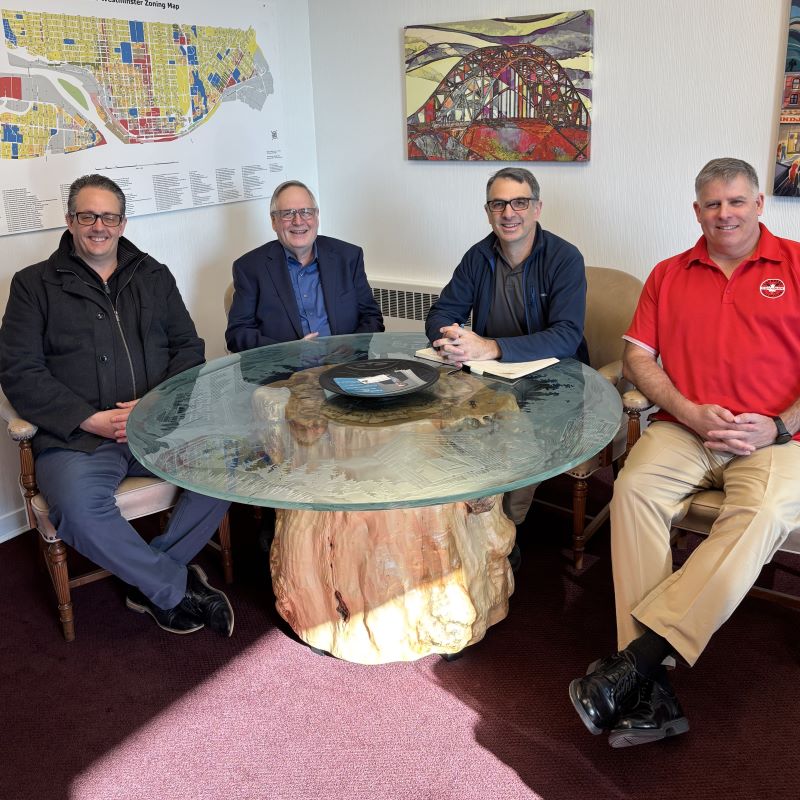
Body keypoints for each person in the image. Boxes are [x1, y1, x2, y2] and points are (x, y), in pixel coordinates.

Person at [569, 157, 800, 747]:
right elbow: (641, 358)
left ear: (758, 205)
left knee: (766, 513)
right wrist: (690, 410)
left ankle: (640, 660)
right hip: (685, 430)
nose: (725, 213)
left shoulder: (797, 264)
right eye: (713, 204)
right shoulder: (669, 273)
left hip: (773, 438)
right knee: (632, 491)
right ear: (696, 211)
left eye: (737, 201)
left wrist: (775, 425)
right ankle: (651, 684)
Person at [0, 174, 234, 637]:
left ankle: (147, 580)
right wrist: (89, 418)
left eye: (108, 216)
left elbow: (189, 348)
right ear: (69, 221)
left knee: (229, 465)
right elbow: (18, 370)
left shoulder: (153, 274)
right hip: (79, 438)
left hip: (158, 423)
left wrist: (152, 406)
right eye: (87, 215)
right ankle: (171, 585)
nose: (98, 226)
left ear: (123, 223)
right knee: (80, 512)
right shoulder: (32, 286)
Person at [425, 167, 588, 526]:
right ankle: (451, 520)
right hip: (488, 377)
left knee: (516, 437)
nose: (508, 213)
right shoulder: (477, 257)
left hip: (553, 379)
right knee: (430, 419)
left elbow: (566, 336)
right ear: (487, 212)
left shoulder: (565, 258)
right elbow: (440, 312)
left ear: (537, 208)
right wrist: (450, 335)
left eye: (519, 202)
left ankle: (504, 530)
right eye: (498, 204)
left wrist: (489, 347)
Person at [225, 179, 384, 352]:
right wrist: (290, 351)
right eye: (288, 213)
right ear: (273, 221)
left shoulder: (348, 257)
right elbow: (237, 334)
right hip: (285, 374)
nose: (298, 221)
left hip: (345, 368)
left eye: (306, 212)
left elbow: (372, 318)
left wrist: (351, 347)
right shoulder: (250, 268)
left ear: (316, 216)